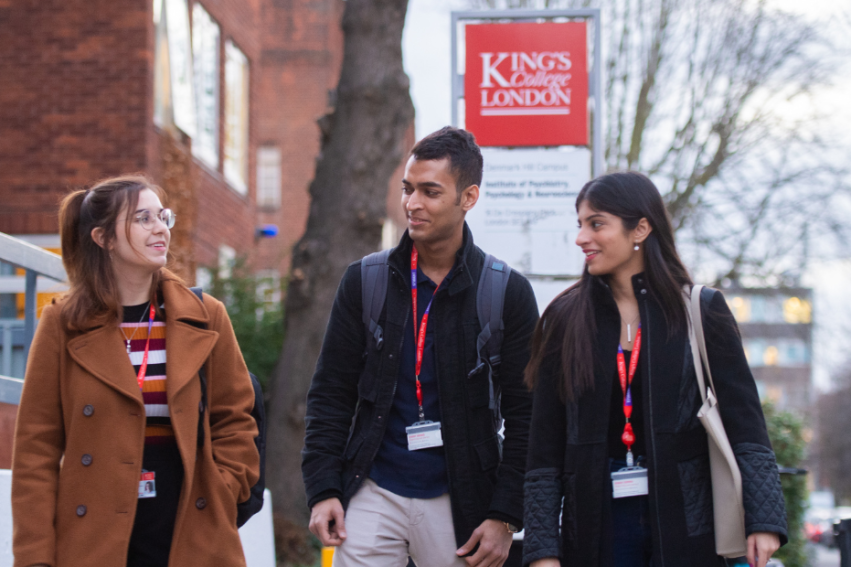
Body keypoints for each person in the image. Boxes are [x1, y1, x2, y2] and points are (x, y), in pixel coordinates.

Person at [521, 172, 787, 567]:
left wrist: (764, 521)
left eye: (596, 224)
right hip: (596, 527)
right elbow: (544, 445)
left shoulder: (700, 309)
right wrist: (542, 551)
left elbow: (745, 422)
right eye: (580, 225)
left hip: (687, 525)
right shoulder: (564, 318)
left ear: (640, 228)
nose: (581, 238)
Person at [302, 127, 539, 567]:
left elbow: (528, 414)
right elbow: (331, 393)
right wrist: (324, 490)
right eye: (408, 189)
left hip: (462, 502)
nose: (412, 204)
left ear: (468, 198)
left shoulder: (506, 292)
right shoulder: (364, 281)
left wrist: (505, 516)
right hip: (372, 493)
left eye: (430, 192)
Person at [12, 176, 260, 567]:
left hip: (190, 521)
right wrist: (35, 557)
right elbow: (35, 453)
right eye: (143, 218)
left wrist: (223, 489)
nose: (161, 228)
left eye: (162, 216)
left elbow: (235, 420)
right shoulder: (62, 322)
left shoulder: (206, 316)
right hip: (95, 530)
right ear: (103, 238)